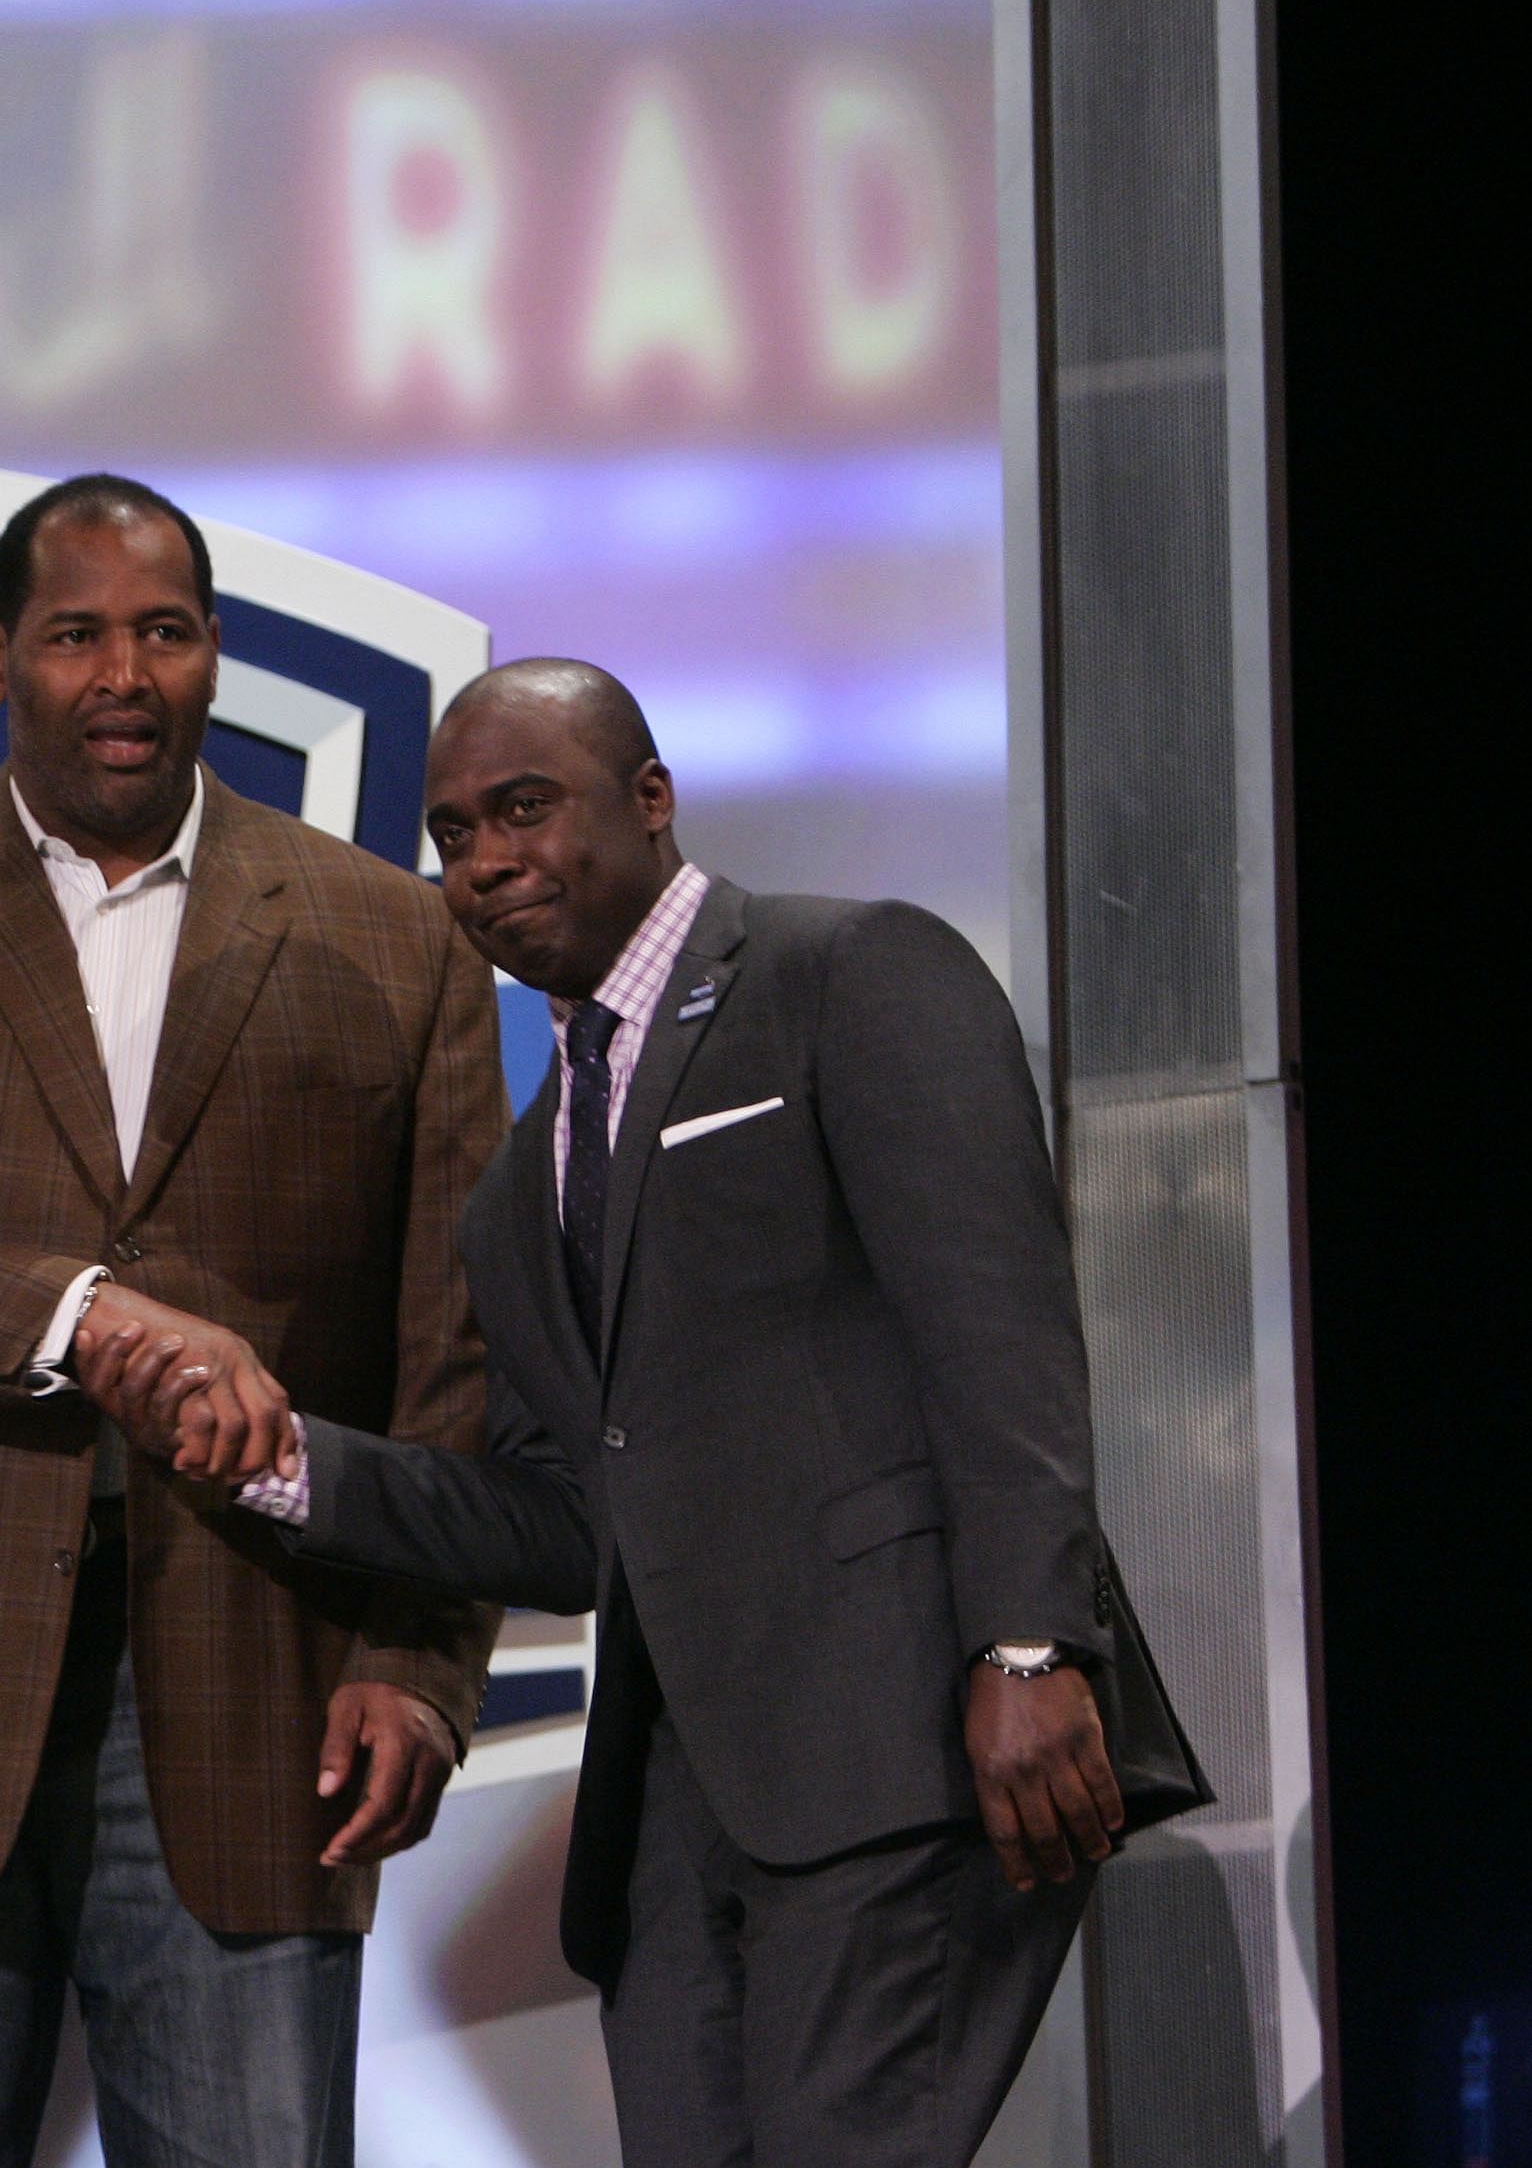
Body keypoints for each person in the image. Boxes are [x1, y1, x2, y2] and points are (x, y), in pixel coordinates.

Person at [84, 657, 1181, 2168]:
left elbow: (999, 1338)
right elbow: (566, 1514)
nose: (485, 861)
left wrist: (1031, 1642)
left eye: (524, 809)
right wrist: (286, 1464)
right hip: (675, 1819)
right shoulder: (515, 1191)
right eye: (454, 832)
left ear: (650, 799)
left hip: (900, 1743)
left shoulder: (847, 971)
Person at [0, 474, 507, 2167]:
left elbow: (457, 1350)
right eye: (75, 634)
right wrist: (78, 1316)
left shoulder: (397, 940)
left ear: (216, 661)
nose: (122, 671)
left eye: (164, 630)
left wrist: (420, 1671)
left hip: (260, 1695)